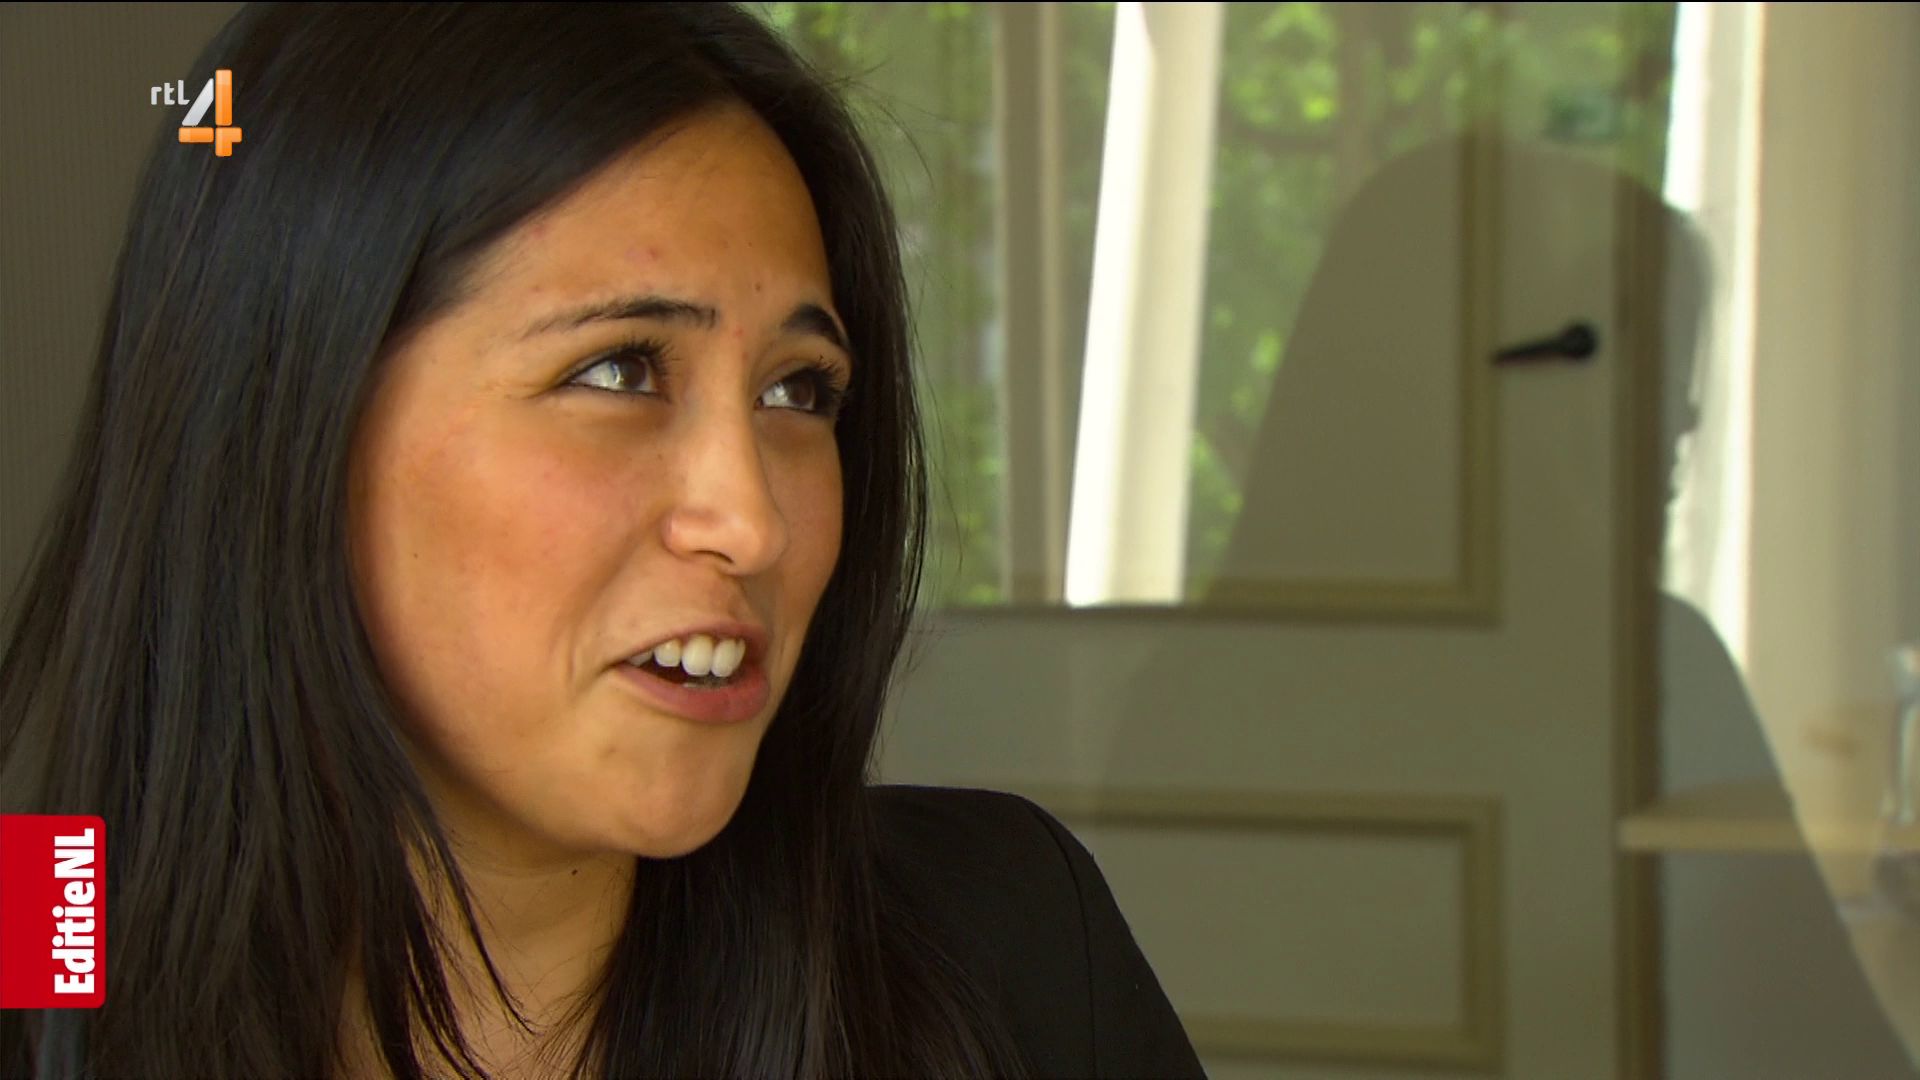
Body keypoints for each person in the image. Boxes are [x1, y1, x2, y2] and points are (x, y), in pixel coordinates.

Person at [0, 5, 1203, 1078]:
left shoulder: (1008, 950)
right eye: (619, 370)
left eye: (798, 390)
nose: (752, 521)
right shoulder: (46, 956)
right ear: (285, 422)